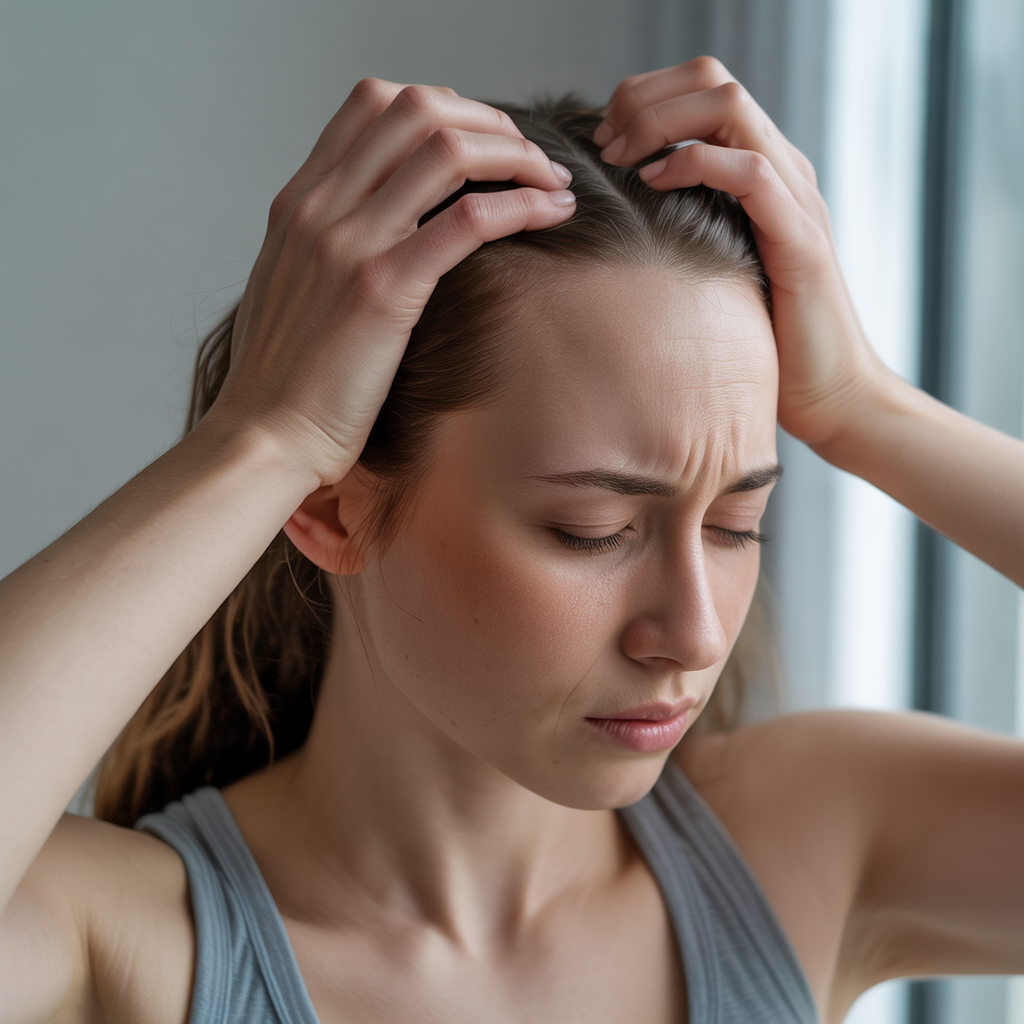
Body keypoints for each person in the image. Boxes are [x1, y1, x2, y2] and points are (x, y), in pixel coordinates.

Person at [1, 56, 1023, 1024]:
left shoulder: (811, 839)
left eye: (733, 524)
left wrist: (867, 407)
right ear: (332, 508)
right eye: (594, 530)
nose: (694, 633)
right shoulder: (126, 938)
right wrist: (265, 440)